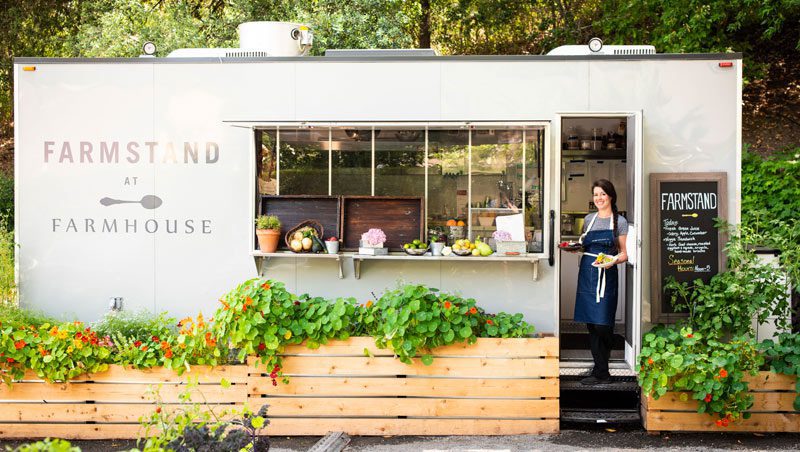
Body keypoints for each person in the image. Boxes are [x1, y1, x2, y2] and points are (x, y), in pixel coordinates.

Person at [574, 179, 628, 385]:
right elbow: (583, 245)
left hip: (606, 275)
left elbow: (624, 254)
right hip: (587, 273)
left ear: (611, 196)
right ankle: (600, 369)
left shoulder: (619, 222)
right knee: (591, 324)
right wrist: (574, 248)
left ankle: (601, 368)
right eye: (596, 194)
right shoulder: (589, 219)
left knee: (603, 324)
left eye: (602, 194)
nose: (599, 198)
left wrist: (612, 260)